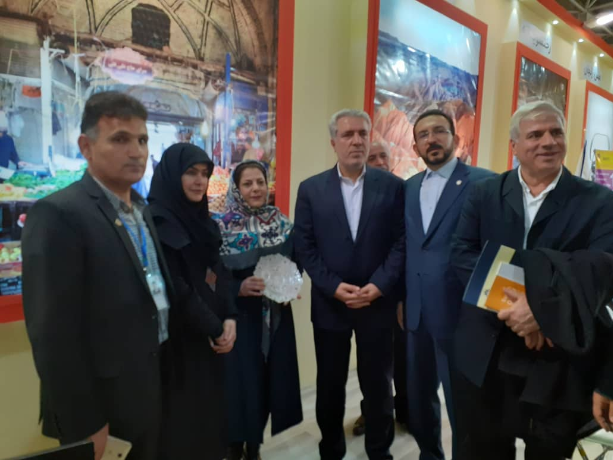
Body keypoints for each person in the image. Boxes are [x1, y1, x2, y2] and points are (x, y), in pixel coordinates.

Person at [450, 100, 613, 459]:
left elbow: (602, 273)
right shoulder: (485, 193)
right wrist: (520, 307)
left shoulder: (599, 202)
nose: (548, 142)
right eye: (535, 134)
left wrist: (540, 311)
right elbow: (462, 254)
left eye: (556, 133)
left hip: (557, 362)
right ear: (514, 146)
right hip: (487, 352)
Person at [22, 91, 172, 460]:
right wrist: (86, 423)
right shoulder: (59, 214)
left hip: (147, 384)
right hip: (101, 404)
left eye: (142, 140)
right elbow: (53, 336)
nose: (136, 152)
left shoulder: (141, 209)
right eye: (120, 139)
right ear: (86, 147)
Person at [294, 109, 405, 460]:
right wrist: (333, 287)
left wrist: (380, 285)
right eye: (347, 134)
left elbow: (401, 242)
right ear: (333, 142)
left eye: (362, 133)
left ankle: (379, 452)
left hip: (378, 304)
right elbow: (305, 247)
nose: (356, 140)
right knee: (330, 386)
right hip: (331, 305)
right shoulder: (311, 189)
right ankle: (331, 450)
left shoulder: (392, 187)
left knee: (378, 386)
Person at [402, 109, 494, 460]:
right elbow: (409, 247)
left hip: (461, 314)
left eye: (439, 131)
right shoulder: (409, 187)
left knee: (462, 404)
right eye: (424, 135)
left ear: (455, 138)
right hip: (416, 313)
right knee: (419, 396)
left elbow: (493, 249)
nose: (432, 139)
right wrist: (402, 300)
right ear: (415, 146)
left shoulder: (484, 183)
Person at [147, 143, 237, 460]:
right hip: (180, 341)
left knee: (209, 419)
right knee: (183, 425)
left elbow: (219, 270)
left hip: (210, 336)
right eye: (191, 173)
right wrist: (215, 327)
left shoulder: (202, 219)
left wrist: (229, 317)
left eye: (204, 174)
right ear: (173, 176)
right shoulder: (158, 220)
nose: (200, 181)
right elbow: (177, 287)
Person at [213, 160, 302, 460]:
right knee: (238, 383)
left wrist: (291, 285)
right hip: (237, 316)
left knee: (267, 381)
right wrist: (237, 287)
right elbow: (209, 276)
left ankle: (254, 446)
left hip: (274, 316)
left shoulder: (281, 222)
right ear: (236, 189)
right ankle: (233, 445)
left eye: (260, 182)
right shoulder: (221, 226)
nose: (255, 189)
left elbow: (296, 262)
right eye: (247, 184)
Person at [352, 140, 408, 438]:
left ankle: (406, 412)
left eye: (382, 156)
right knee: (372, 364)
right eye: (371, 157)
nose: (378, 162)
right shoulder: (357, 196)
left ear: (391, 159)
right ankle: (371, 412)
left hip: (402, 292)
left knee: (404, 359)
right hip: (370, 295)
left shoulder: (405, 191)